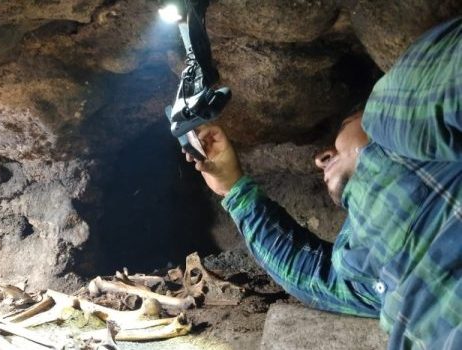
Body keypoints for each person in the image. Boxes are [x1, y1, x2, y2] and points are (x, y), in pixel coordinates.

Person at [187, 17, 462, 349]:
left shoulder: (394, 113)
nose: (321, 157)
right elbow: (312, 277)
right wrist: (233, 188)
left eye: (343, 126)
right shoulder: (364, 263)